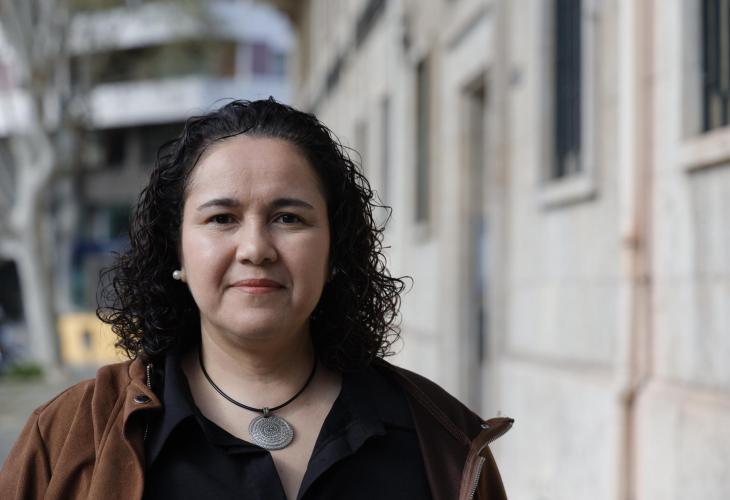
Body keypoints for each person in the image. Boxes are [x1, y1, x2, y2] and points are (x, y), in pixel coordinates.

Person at [0, 98, 512, 500]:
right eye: (221, 218)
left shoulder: (443, 439)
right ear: (176, 249)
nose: (255, 249)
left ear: (334, 248)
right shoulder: (67, 439)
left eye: (288, 218)